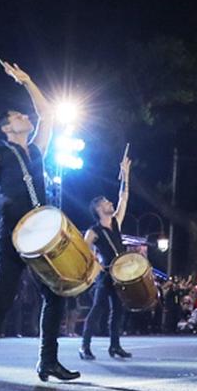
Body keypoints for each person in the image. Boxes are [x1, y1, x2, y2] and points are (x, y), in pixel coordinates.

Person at [0, 59, 79, 386]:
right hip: (14, 234)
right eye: (18, 116)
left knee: (55, 295)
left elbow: (47, 114)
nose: (25, 117)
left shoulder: (36, 150)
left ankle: (48, 362)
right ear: (6, 128)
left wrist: (27, 81)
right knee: (4, 297)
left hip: (41, 234)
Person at [80, 148, 134, 360]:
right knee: (97, 309)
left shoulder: (116, 222)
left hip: (119, 274)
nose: (110, 203)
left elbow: (124, 197)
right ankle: (84, 346)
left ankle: (115, 346)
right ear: (98, 209)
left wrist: (126, 175)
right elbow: (84, 251)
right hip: (105, 275)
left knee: (117, 311)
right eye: (106, 202)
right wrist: (95, 264)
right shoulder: (93, 231)